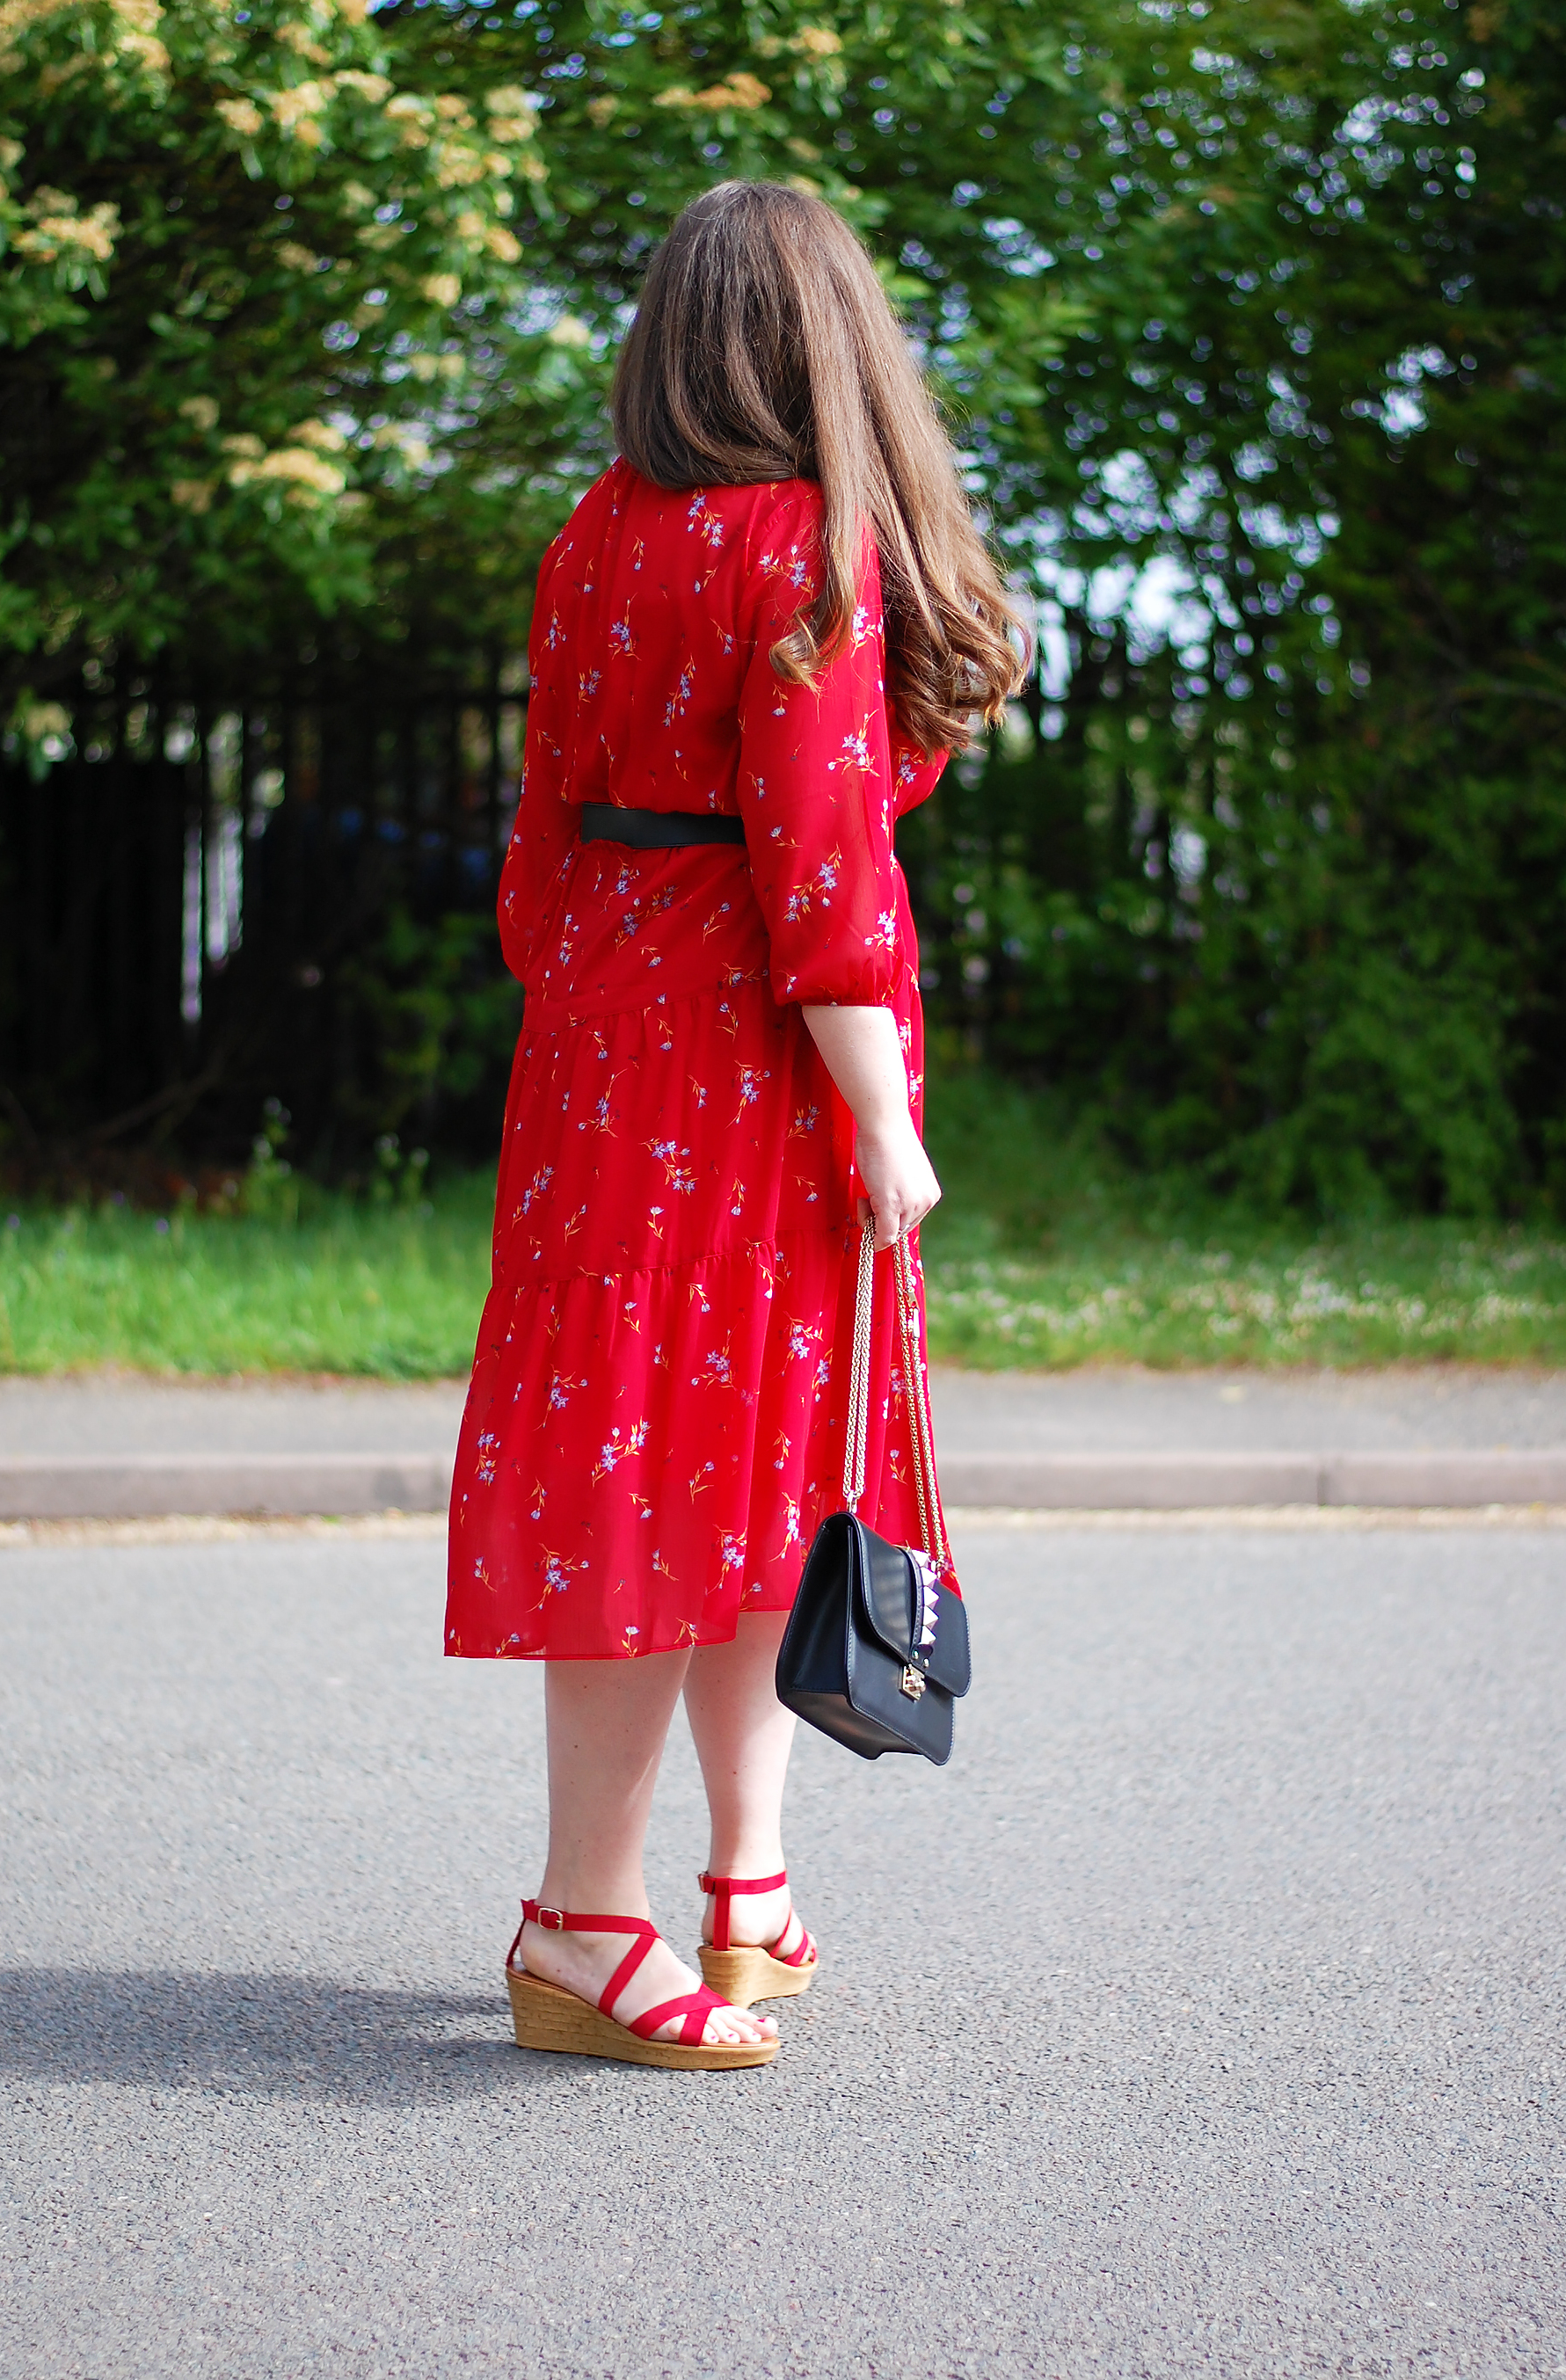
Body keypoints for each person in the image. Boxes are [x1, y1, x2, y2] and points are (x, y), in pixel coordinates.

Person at [446, 179, 1027, 2070]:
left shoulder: (591, 536)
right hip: (753, 1063)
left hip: (602, 1049)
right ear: (827, 344)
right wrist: (887, 1122)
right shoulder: (806, 549)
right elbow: (828, 875)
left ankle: (744, 1887)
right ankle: (586, 1922)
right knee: (699, 1471)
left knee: (676, 1463)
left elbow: (534, 862)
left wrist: (599, 999)